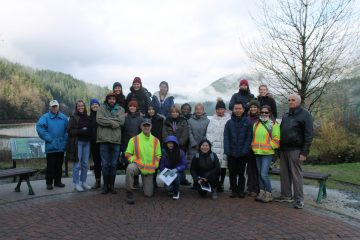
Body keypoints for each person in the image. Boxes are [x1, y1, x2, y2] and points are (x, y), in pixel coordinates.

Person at [275, 94, 313, 209]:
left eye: (293, 100)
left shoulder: (305, 115)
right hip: (284, 149)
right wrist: (278, 150)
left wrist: (304, 152)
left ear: (299, 101)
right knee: (284, 174)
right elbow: (281, 131)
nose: (290, 102)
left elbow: (309, 135)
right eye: (289, 100)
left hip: (296, 150)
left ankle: (299, 200)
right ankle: (286, 195)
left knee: (296, 176)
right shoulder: (286, 115)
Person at [125, 118, 162, 204]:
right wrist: (136, 161)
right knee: (130, 168)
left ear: (151, 127)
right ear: (141, 127)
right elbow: (127, 154)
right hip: (137, 166)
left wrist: (155, 165)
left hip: (149, 169)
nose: (146, 127)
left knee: (148, 194)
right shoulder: (134, 139)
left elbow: (158, 155)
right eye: (144, 125)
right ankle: (129, 192)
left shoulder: (156, 141)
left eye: (148, 125)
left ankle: (145, 186)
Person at [96, 92, 125, 194]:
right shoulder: (101, 108)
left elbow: (121, 122)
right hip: (103, 140)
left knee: (113, 164)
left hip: (116, 140)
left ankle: (112, 186)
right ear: (107, 100)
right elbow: (99, 119)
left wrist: (107, 120)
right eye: (110, 99)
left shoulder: (121, 109)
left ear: (116, 100)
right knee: (104, 164)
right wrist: (113, 122)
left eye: (113, 99)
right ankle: (105, 186)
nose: (112, 100)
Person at [36, 100, 68, 190]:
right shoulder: (45, 117)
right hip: (51, 147)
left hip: (61, 147)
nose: (54, 108)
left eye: (56, 106)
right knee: (50, 166)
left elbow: (68, 129)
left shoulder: (64, 117)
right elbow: (39, 128)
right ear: (50, 107)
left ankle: (58, 181)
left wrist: (65, 139)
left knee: (59, 165)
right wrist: (49, 139)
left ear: (58, 107)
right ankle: (49, 183)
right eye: (53, 106)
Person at [224, 101, 252, 198]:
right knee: (232, 173)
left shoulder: (248, 122)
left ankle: (241, 191)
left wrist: (245, 150)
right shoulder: (229, 123)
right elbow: (226, 137)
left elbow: (249, 138)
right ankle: (234, 190)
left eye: (240, 108)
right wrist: (227, 150)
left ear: (243, 110)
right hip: (231, 153)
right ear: (233, 110)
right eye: (236, 108)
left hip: (243, 153)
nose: (238, 110)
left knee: (241, 173)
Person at [252, 105, 280, 202]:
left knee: (264, 174)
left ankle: (269, 193)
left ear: (270, 113)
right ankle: (261, 192)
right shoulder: (256, 124)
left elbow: (276, 140)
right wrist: (253, 146)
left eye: (266, 112)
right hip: (257, 152)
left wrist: (269, 145)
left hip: (267, 153)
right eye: (262, 112)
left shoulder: (274, 124)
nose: (264, 114)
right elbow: (253, 137)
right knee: (260, 174)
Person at [206, 98, 230, 192]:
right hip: (214, 146)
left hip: (224, 146)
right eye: (218, 109)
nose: (220, 111)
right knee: (215, 166)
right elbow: (209, 133)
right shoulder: (212, 120)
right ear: (216, 110)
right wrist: (210, 144)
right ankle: (215, 183)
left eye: (222, 109)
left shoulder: (228, 119)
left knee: (223, 166)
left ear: (225, 110)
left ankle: (221, 183)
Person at [67, 100, 92, 192]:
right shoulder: (73, 117)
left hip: (87, 143)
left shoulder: (87, 117)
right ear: (76, 107)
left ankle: (83, 182)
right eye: (79, 106)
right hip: (78, 143)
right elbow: (69, 131)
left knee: (85, 164)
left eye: (82, 106)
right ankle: (76, 183)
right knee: (77, 164)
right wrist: (80, 131)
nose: (81, 107)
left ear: (84, 107)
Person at [163, 105, 190, 185]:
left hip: (180, 147)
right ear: (170, 113)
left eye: (176, 112)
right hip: (169, 147)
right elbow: (164, 134)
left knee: (180, 163)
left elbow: (185, 135)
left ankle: (181, 179)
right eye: (172, 112)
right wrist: (170, 143)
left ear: (179, 113)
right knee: (169, 163)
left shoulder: (183, 121)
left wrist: (176, 144)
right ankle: (168, 180)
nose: (174, 113)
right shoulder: (166, 121)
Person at [121, 100, 143, 189]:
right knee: (127, 163)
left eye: (134, 106)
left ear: (136, 107)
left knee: (136, 162)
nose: (132, 108)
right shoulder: (125, 117)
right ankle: (129, 183)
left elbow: (142, 132)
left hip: (137, 144)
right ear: (128, 107)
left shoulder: (140, 118)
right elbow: (122, 131)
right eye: (130, 106)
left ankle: (136, 182)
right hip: (126, 143)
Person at [159, 136, 187, 200]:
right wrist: (165, 172)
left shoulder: (181, 152)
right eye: (168, 143)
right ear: (166, 144)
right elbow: (162, 166)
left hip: (179, 173)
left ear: (175, 143)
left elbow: (184, 165)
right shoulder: (163, 152)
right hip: (167, 173)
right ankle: (172, 188)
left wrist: (176, 169)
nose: (170, 145)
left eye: (172, 143)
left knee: (175, 176)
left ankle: (176, 192)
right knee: (168, 189)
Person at [145, 103, 165, 188]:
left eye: (152, 109)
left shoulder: (160, 119)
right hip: (146, 144)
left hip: (157, 143)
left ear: (155, 110)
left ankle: (153, 180)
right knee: (148, 162)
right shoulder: (144, 119)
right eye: (149, 109)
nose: (151, 111)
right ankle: (148, 181)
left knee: (156, 163)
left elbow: (162, 132)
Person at [246, 99, 261, 197]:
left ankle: (256, 188)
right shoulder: (247, 118)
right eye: (251, 107)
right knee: (249, 169)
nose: (253, 108)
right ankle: (249, 187)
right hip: (248, 147)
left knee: (256, 169)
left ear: (258, 108)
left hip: (258, 147)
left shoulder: (261, 119)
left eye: (255, 107)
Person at [89, 98, 102, 189]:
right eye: (93, 104)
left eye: (96, 104)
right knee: (97, 163)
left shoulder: (102, 116)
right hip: (93, 143)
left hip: (102, 142)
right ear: (90, 106)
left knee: (104, 163)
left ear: (99, 105)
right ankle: (98, 181)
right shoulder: (88, 117)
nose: (94, 106)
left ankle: (107, 181)